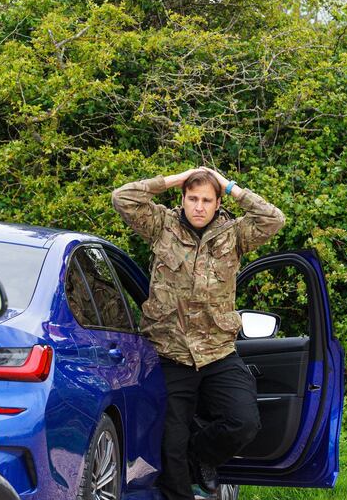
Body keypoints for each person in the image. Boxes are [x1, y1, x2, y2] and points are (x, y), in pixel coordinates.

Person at [112, 167, 285, 500]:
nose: (199, 207)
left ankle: (200, 457)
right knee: (169, 445)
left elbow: (273, 219)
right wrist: (176, 178)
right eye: (192, 198)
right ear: (183, 198)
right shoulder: (161, 226)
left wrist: (231, 186)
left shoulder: (234, 234)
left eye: (207, 199)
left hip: (217, 353)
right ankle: (182, 482)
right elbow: (123, 198)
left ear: (218, 202)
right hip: (170, 353)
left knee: (244, 421)